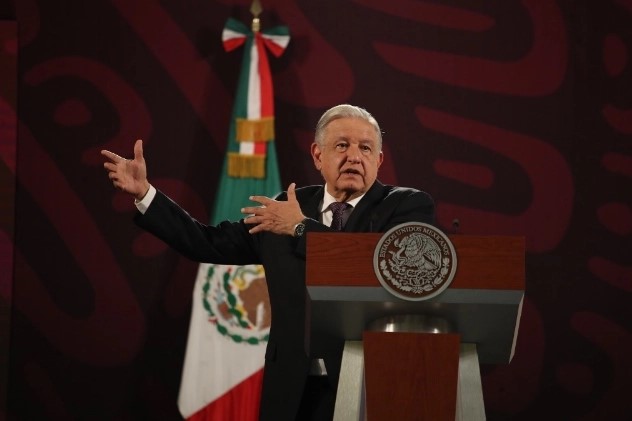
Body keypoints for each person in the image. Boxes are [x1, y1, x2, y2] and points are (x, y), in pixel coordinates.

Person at [102, 104, 435, 421]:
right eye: (342, 145)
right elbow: (208, 242)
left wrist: (301, 227)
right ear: (318, 155)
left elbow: (387, 269)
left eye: (365, 148)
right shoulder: (286, 206)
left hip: (367, 382)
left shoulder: (405, 206)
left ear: (378, 160)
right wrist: (146, 194)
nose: (353, 157)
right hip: (291, 386)